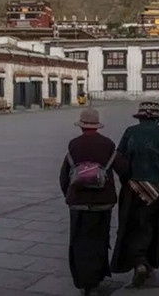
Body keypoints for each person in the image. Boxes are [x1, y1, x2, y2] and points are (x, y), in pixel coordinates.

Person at [111, 102, 159, 287]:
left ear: (140, 118)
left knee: (132, 225)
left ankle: (139, 262)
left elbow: (119, 157)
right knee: (154, 225)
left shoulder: (130, 132)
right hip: (157, 188)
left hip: (133, 187)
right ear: (157, 120)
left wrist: (124, 177)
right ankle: (147, 261)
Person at [59, 108, 128, 295]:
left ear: (82, 126)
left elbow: (64, 176)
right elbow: (123, 169)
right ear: (97, 126)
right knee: (99, 240)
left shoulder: (73, 145)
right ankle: (96, 280)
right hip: (102, 203)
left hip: (78, 203)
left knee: (79, 241)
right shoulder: (107, 144)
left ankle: (83, 282)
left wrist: (69, 194)